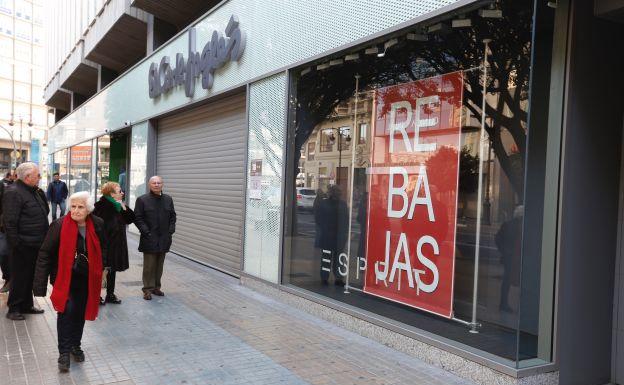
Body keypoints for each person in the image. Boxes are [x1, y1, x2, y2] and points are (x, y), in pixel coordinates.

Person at [33, 191, 106, 372]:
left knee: (80, 313)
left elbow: (104, 248)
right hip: (64, 278)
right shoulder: (58, 225)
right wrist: (39, 285)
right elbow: (45, 254)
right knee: (66, 313)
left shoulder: (97, 224)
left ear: (88, 209)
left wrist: (102, 270)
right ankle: (64, 353)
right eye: (73, 206)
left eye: (80, 207)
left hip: (86, 279)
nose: (75, 210)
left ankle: (75, 345)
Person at [2, 162, 49, 320]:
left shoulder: (33, 191)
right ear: (27, 177)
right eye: (37, 175)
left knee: (29, 276)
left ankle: (27, 305)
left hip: (35, 243)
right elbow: (10, 222)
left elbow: (44, 210)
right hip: (22, 245)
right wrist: (17, 245)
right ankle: (14, 308)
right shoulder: (14, 192)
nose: (40, 178)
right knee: (20, 276)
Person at [93, 182, 135, 305]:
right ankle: (97, 296)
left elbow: (130, 219)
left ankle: (110, 294)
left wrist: (123, 206)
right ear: (111, 194)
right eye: (119, 191)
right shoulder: (101, 206)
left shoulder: (118, 205)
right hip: (105, 245)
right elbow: (97, 227)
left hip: (117, 244)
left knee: (112, 270)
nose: (122, 193)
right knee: (101, 271)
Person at [134, 176, 176, 300]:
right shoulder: (142, 200)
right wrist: (146, 232)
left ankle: (156, 287)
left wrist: (170, 230)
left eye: (159, 183)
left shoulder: (168, 199)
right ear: (149, 185)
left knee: (159, 264)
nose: (156, 185)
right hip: (149, 238)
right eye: (154, 183)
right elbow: (138, 218)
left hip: (164, 237)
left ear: (162, 184)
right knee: (149, 265)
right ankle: (147, 289)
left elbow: (173, 216)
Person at [317, 184, 349, 285]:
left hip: (331, 235)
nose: (338, 194)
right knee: (336, 258)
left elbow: (318, 219)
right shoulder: (341, 204)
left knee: (329, 258)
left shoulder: (325, 203)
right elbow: (346, 221)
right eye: (338, 192)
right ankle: (335, 278)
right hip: (334, 236)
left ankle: (326, 277)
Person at [0, 172, 14, 293]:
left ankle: (10, 280)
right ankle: (8, 279)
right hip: (4, 227)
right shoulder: (3, 185)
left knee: (5, 253)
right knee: (4, 253)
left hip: (9, 227)